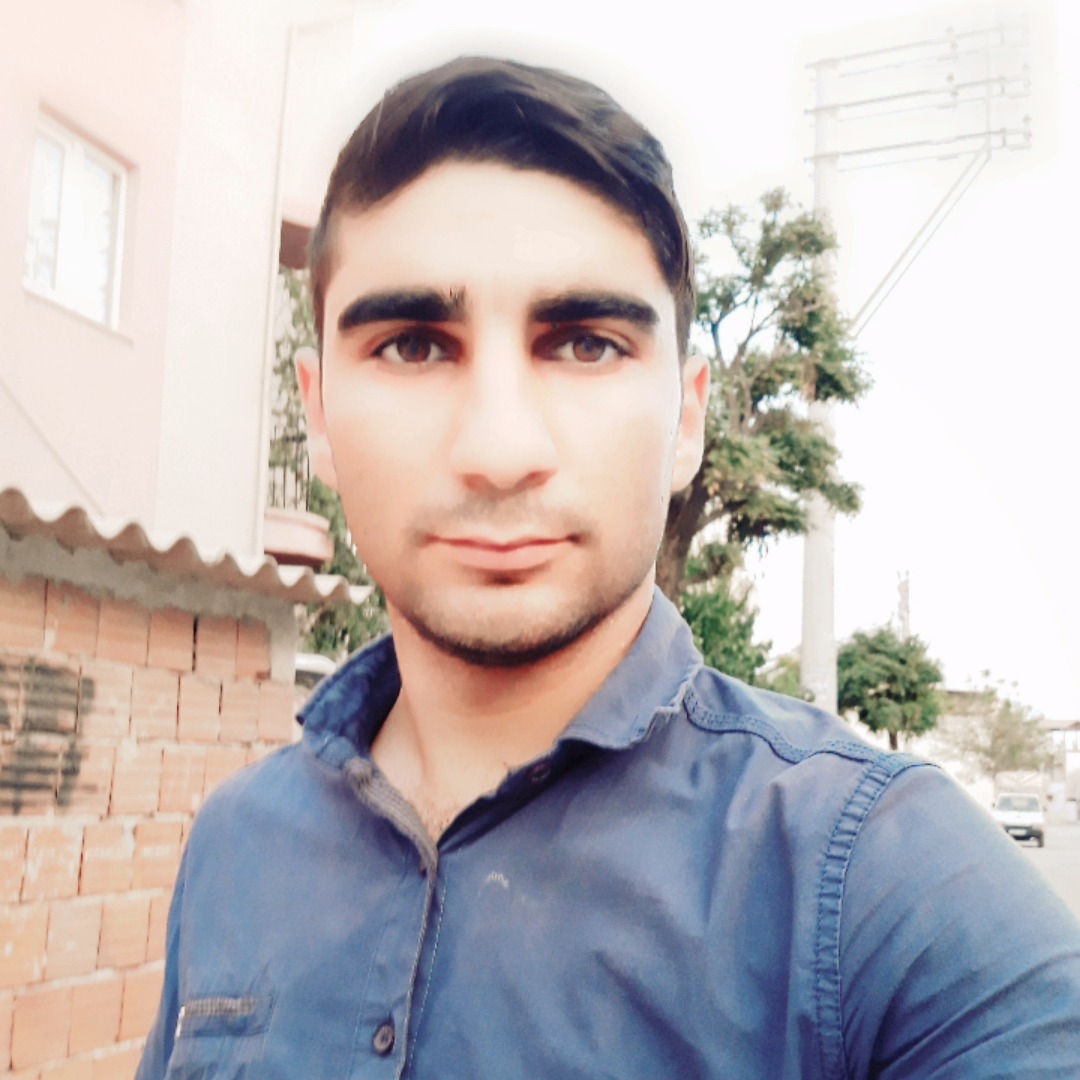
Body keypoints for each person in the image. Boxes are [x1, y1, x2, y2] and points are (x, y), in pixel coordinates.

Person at [137, 57, 1080, 1079]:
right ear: (318, 414)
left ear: (687, 420)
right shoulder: (237, 843)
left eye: (585, 344)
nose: (500, 449)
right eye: (413, 346)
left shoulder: (876, 879)